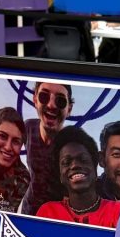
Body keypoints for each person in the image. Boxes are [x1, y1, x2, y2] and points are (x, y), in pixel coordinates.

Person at [36, 126, 120, 228]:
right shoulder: (48, 214)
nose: (75, 165)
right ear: (60, 175)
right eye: (66, 162)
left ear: (95, 169)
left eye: (83, 159)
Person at [20, 81, 73, 215]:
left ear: (69, 109)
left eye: (60, 101)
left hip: (54, 217)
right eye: (44, 96)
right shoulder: (28, 127)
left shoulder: (73, 145)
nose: (51, 105)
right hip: (28, 212)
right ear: (35, 100)